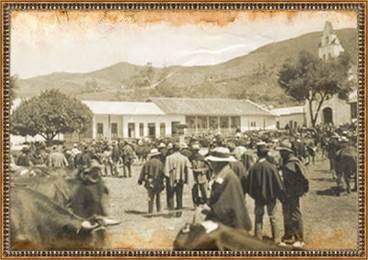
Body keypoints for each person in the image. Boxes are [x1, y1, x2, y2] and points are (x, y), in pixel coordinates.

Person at [202, 147, 252, 231]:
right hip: (226, 220)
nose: (211, 165)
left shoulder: (229, 177)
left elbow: (226, 204)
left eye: (212, 163)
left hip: (230, 222)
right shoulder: (223, 175)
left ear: (218, 163)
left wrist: (210, 209)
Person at [247, 142, 284, 241]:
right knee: (273, 217)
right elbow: (278, 183)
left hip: (258, 198)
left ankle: (258, 237)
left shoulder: (253, 168)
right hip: (271, 197)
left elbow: (249, 185)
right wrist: (276, 194)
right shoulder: (271, 167)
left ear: (258, 154)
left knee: (258, 217)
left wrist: (255, 195)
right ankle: (276, 238)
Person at [277, 139, 309, 249]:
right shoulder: (285, 163)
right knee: (286, 215)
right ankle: (288, 236)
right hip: (285, 194)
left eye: (281, 151)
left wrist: (298, 192)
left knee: (295, 215)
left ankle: (299, 239)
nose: (280, 153)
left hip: (292, 194)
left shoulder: (294, 163)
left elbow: (304, 179)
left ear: (287, 152)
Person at [164, 143, 192, 217]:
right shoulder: (184, 158)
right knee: (179, 196)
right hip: (180, 179)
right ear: (180, 149)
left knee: (170, 195)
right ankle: (179, 212)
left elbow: (166, 171)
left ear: (172, 149)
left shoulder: (168, 158)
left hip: (171, 179)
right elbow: (188, 168)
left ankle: (171, 212)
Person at [138, 148, 165, 214]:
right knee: (158, 197)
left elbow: (142, 172)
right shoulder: (160, 163)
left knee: (150, 197)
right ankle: (159, 210)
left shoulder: (147, 163)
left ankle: (150, 211)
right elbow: (163, 173)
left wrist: (140, 180)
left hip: (149, 182)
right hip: (158, 182)